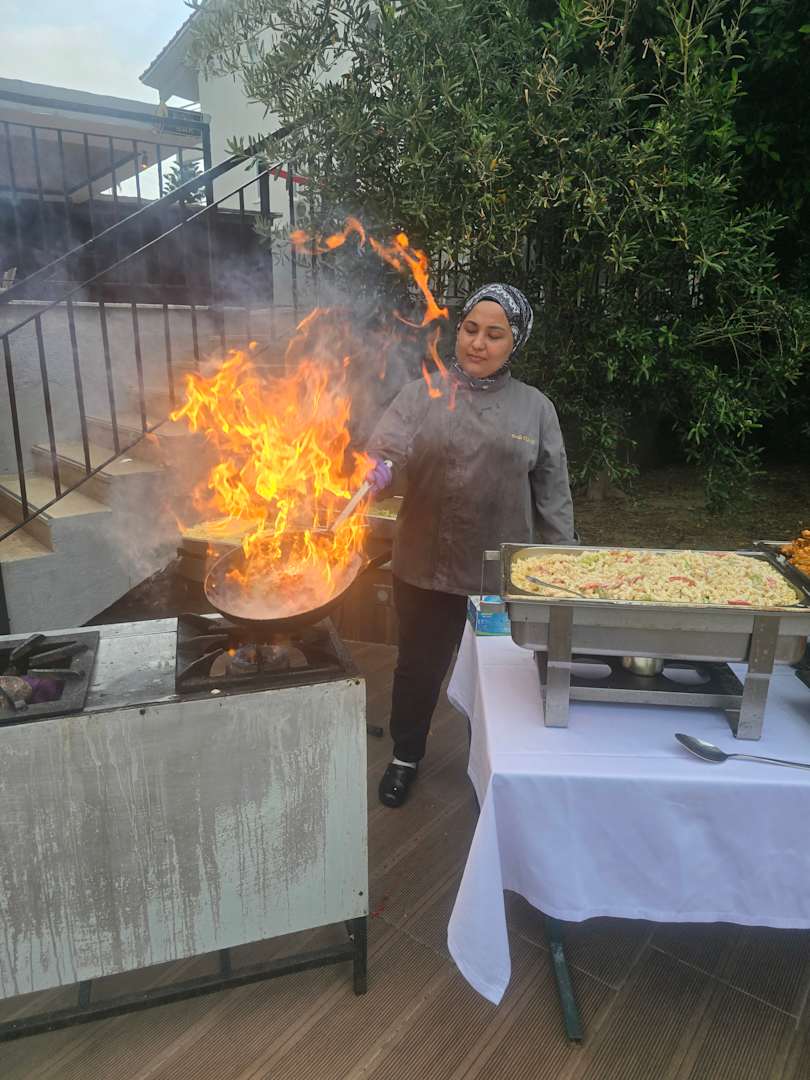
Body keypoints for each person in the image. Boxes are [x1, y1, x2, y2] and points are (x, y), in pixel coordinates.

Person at [366, 283, 576, 808]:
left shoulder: (536, 409)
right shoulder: (420, 396)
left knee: (501, 678)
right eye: (470, 329)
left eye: (494, 334)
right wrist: (377, 469)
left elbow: (553, 497)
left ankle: (498, 768)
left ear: (514, 343)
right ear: (457, 331)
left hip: (498, 575)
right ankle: (405, 755)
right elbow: (385, 455)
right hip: (425, 566)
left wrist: (563, 564)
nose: (478, 343)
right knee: (417, 668)